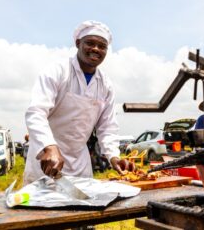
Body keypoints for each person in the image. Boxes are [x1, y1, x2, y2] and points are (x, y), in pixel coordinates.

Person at [24, 20, 134, 185]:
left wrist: (114, 157)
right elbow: (36, 112)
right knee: (43, 208)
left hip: (80, 164)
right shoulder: (57, 71)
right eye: (90, 43)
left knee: (82, 208)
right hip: (47, 162)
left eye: (102, 46)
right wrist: (49, 146)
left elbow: (107, 127)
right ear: (77, 43)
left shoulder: (105, 84)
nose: (96, 49)